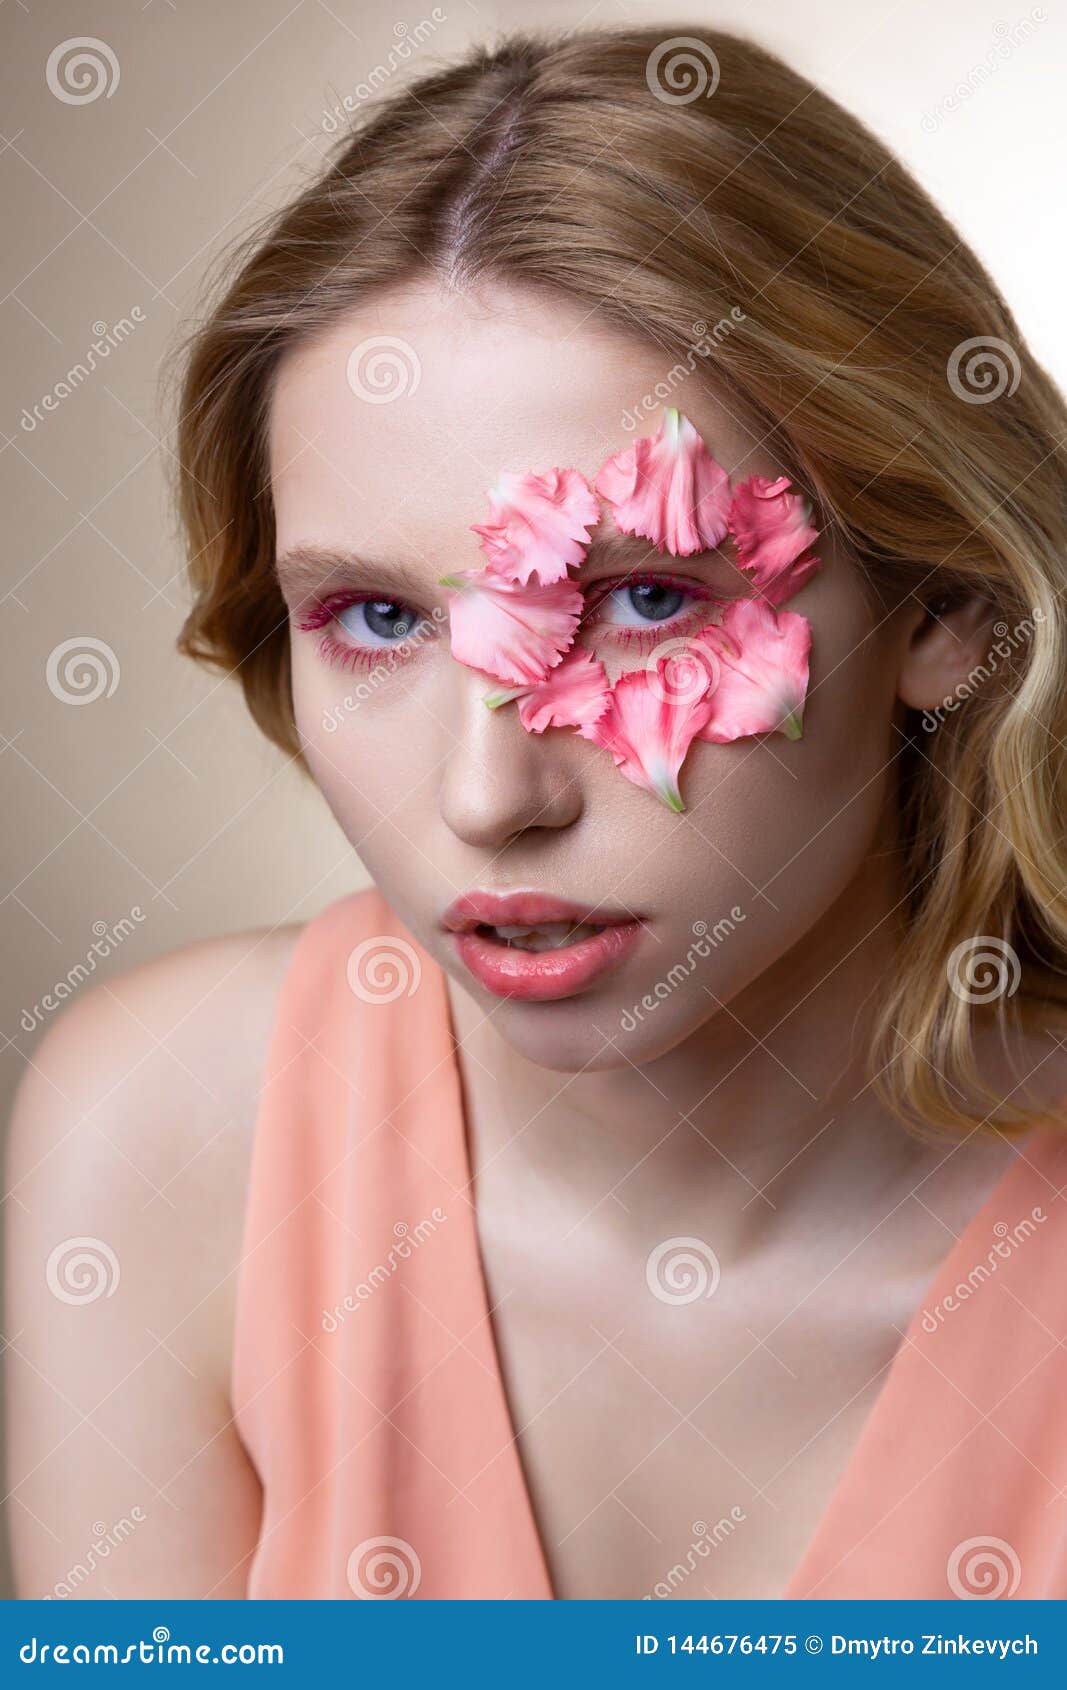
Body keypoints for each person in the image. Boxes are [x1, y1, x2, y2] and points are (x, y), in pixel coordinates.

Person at [7, 26, 1067, 1602]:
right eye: (373, 619)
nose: (485, 795)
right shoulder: (163, 1143)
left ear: (951, 608)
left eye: (646, 597)